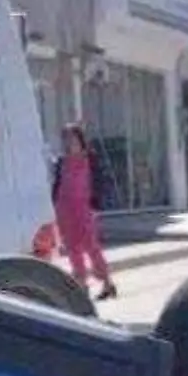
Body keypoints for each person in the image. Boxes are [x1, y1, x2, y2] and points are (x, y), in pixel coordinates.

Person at [51, 124, 118, 301]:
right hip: (65, 208)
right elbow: (58, 186)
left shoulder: (90, 159)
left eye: (71, 137)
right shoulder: (61, 161)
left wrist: (96, 205)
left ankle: (107, 283)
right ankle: (81, 285)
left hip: (84, 207)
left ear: (79, 139)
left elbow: (100, 182)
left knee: (91, 246)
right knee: (72, 248)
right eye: (65, 138)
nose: (68, 142)